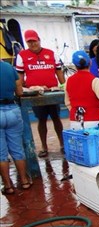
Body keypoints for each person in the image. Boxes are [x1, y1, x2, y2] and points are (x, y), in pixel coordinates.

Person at [15, 29, 65, 157]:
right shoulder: (22, 56)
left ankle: (63, 144)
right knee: (41, 120)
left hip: (52, 93)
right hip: (36, 94)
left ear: (39, 40)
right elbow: (20, 77)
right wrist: (20, 90)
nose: (32, 44)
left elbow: (59, 72)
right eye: (29, 42)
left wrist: (64, 87)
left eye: (34, 41)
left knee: (56, 118)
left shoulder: (51, 53)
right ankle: (44, 147)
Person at [1, 60, 32, 195]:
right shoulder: (8, 67)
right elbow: (19, 91)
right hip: (12, 110)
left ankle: (8, 186)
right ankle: (24, 181)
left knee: (1, 154)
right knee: (17, 149)